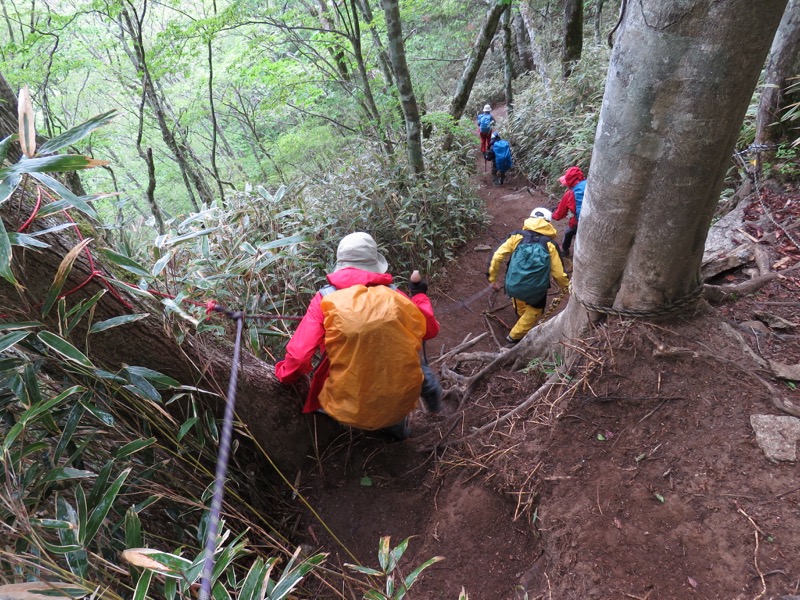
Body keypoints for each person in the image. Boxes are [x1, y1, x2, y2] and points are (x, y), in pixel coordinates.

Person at [275, 232, 442, 440]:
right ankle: (397, 435)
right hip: (396, 399)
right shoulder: (394, 295)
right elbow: (430, 329)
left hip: (345, 406)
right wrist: (419, 295)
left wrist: (283, 374)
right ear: (374, 263)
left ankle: (343, 435)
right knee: (408, 358)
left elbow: (299, 358)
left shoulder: (324, 300)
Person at [487, 208, 570, 344]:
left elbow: (497, 256)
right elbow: (559, 274)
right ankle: (514, 337)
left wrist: (492, 279)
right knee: (535, 310)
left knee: (518, 297)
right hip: (535, 290)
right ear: (549, 223)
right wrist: (567, 287)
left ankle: (520, 315)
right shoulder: (550, 245)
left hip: (513, 284)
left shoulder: (516, 237)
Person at [552, 166, 587, 257]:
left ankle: (565, 250)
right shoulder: (589, 183)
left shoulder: (570, 193)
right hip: (596, 217)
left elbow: (559, 214)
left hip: (581, 220)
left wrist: (552, 215)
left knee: (568, 232)